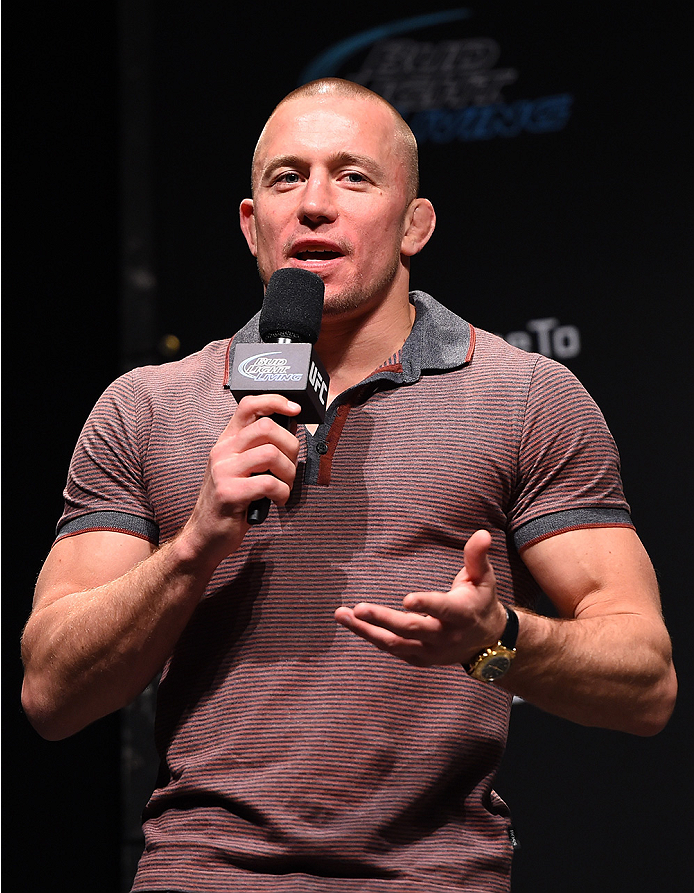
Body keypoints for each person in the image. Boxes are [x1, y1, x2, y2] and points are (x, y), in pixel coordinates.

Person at [21, 78, 676, 892]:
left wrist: (499, 639)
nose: (316, 204)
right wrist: (193, 546)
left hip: (435, 876)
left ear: (416, 224)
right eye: (287, 178)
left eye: (354, 176)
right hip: (203, 874)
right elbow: (51, 691)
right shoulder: (146, 407)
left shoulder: (525, 396)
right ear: (251, 225)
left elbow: (645, 681)